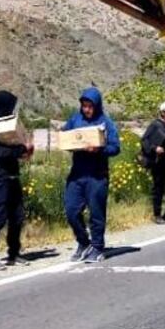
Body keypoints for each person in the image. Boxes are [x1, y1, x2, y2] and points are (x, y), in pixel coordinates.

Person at [63, 87, 121, 263]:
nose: (86, 109)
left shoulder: (105, 122)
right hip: (77, 174)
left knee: (96, 212)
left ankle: (97, 247)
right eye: (84, 106)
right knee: (71, 210)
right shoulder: (75, 119)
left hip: (97, 175)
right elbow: (65, 135)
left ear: (97, 106)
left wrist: (99, 149)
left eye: (90, 106)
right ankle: (83, 242)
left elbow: (115, 147)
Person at [0, 91, 33, 270]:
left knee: (16, 216)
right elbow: (0, 152)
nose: (11, 110)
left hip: (10, 175)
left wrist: (20, 149)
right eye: (10, 106)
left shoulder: (0, 123)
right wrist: (21, 150)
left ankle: (13, 254)